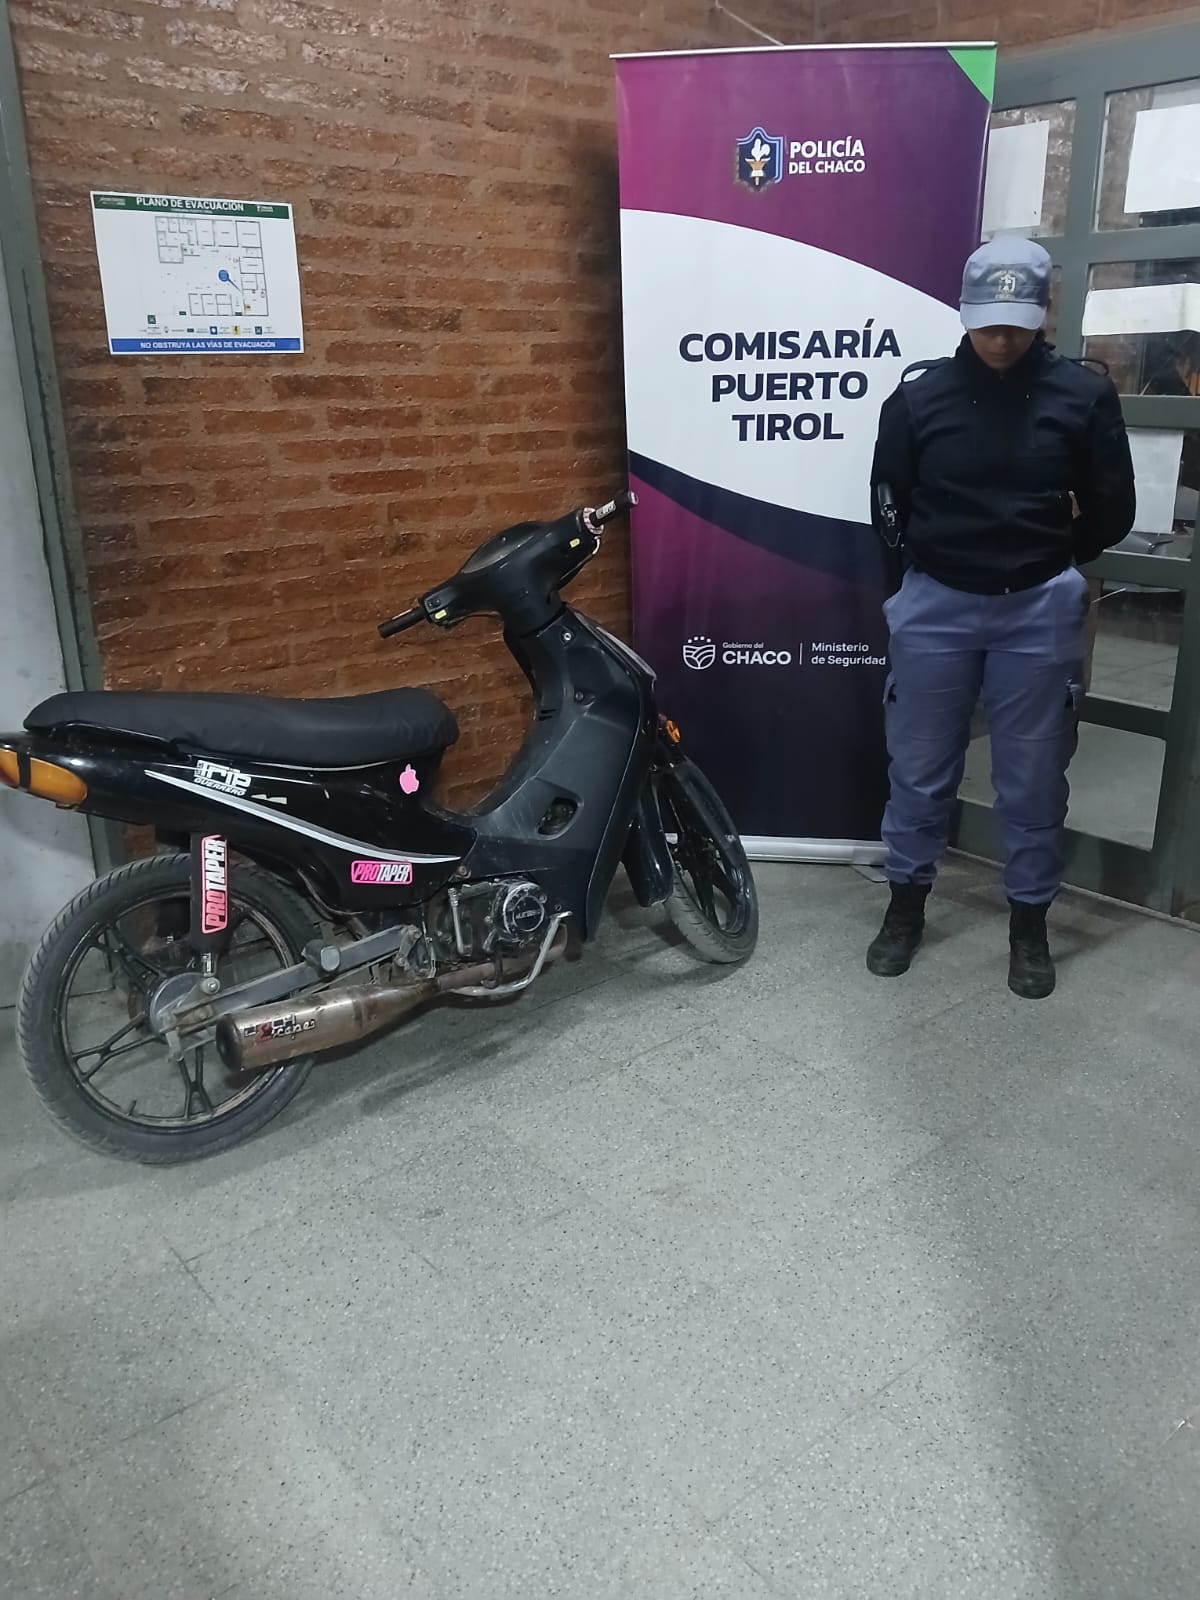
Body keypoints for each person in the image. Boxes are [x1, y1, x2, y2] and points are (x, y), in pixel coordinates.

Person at [867, 236, 1136, 999]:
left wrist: (1051, 556)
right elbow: (887, 503)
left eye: (1017, 324)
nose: (1002, 339)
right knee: (919, 770)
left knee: (1034, 779)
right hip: (936, 603)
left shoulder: (1082, 396)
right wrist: (915, 583)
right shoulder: (918, 398)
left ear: (1043, 312)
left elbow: (1114, 507)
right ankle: (905, 904)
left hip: (1036, 608)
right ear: (964, 311)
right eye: (988, 323)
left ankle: (1029, 923)